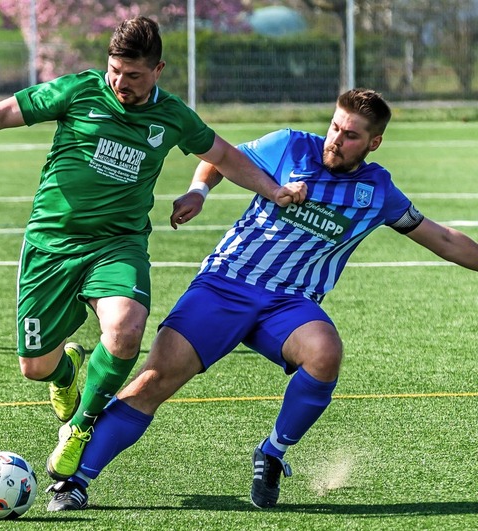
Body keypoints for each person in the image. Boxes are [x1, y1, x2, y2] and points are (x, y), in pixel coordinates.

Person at [0, 16, 305, 485]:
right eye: (115, 71)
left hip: (118, 244)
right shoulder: (79, 91)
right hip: (50, 246)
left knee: (125, 332)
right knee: (35, 368)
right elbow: (1, 113)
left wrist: (268, 190)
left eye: (133, 75)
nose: (121, 83)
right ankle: (66, 371)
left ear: (158, 69)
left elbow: (224, 155)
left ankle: (79, 426)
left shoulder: (172, 115)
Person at [44, 88, 478, 511]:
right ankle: (75, 481)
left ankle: (272, 452)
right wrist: (199, 191)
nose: (336, 140)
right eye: (335, 127)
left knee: (325, 352)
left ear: (373, 143)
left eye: (350, 136)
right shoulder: (289, 146)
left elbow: (440, 237)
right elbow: (220, 156)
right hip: (226, 284)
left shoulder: (378, 192)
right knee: (152, 382)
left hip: (289, 303)